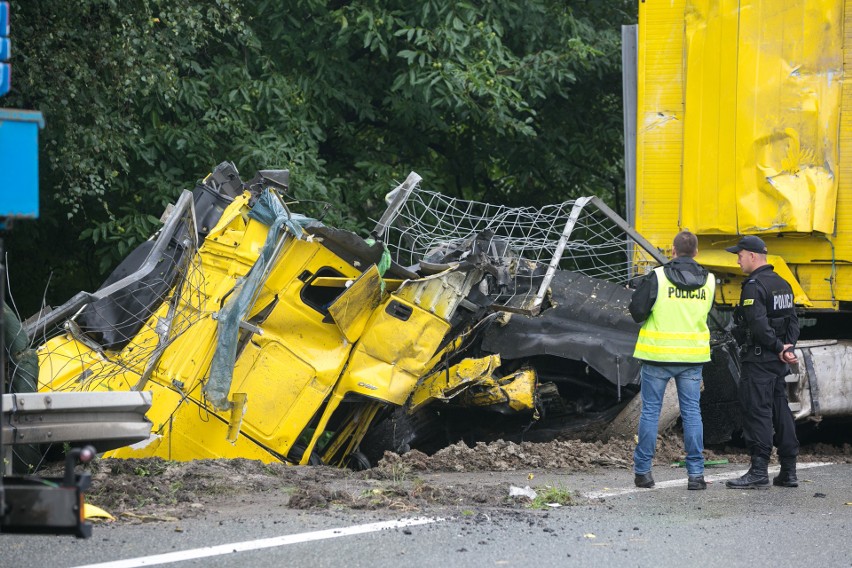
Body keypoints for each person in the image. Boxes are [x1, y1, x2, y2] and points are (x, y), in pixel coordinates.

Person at [629, 230, 715, 491]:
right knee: (692, 414)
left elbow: (637, 312)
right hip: (691, 357)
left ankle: (643, 473)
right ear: (697, 252)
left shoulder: (657, 277)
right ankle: (696, 476)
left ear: (673, 252)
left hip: (658, 355)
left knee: (651, 413)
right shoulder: (710, 280)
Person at [724, 235, 800, 489]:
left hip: (759, 360)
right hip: (777, 361)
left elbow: (757, 324)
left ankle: (758, 470)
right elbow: (793, 321)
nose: (738, 260)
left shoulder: (754, 286)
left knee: (757, 411)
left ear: (753, 256)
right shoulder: (783, 284)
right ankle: (788, 471)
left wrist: (778, 348)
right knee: (781, 412)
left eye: (740, 255)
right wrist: (787, 348)